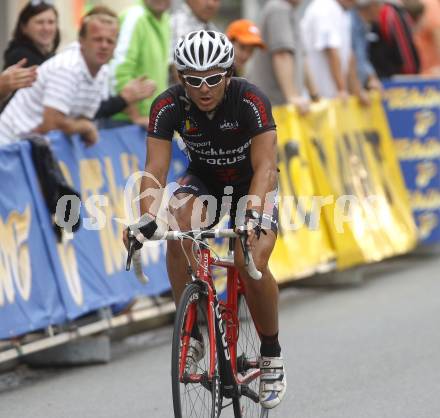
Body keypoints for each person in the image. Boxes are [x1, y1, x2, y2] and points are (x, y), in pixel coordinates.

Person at [124, 30, 286, 409]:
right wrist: (147, 216)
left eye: (213, 77)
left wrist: (254, 214)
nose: (203, 88)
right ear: (181, 78)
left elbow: (266, 165)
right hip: (206, 181)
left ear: (227, 73)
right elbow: (155, 168)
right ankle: (193, 332)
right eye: (192, 80)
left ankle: (271, 352)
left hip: (252, 185)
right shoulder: (167, 105)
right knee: (178, 223)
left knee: (251, 262)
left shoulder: (249, 98)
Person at [0, 13, 118, 147]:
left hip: (33, 147)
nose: (104, 46)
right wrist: (86, 127)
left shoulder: (102, 71)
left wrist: (83, 125)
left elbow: (80, 118)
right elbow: (51, 125)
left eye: (110, 41)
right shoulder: (67, 67)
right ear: (81, 41)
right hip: (9, 147)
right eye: (97, 39)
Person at [246, 0, 319, 114]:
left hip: (277, 109)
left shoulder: (289, 11)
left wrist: (314, 95)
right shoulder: (279, 9)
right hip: (272, 110)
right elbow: (282, 54)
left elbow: (301, 60)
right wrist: (292, 97)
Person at [110, 0, 171, 127]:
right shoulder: (134, 17)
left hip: (150, 121)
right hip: (124, 122)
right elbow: (116, 71)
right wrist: (135, 115)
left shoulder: (165, 19)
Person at [301, 0, 369, 104]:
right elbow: (331, 50)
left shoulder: (343, 12)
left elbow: (348, 54)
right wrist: (341, 89)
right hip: (319, 98)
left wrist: (356, 90)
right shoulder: (323, 8)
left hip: (333, 98)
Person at [367, 0, 420, 78]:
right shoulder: (390, 12)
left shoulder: (391, 11)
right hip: (388, 75)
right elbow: (403, 48)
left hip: (389, 75)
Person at [405, 0, 440, 75]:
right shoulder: (429, 4)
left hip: (431, 73)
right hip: (423, 73)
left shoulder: (431, 5)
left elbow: (437, 36)